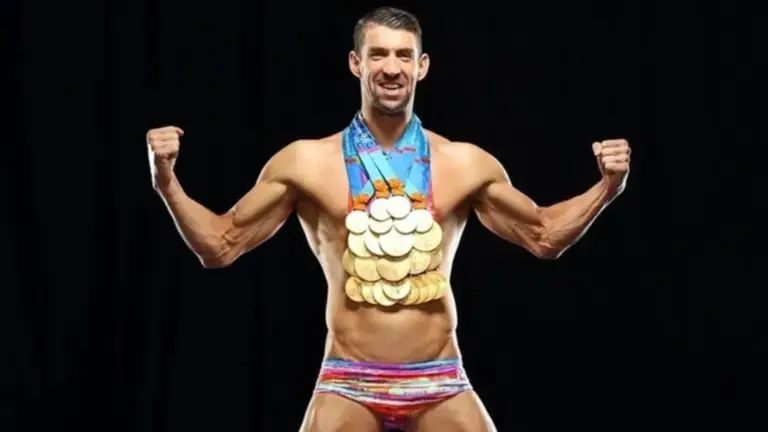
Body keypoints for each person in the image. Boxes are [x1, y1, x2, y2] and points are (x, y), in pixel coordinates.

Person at [145, 7, 631, 432]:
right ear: (356, 63)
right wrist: (166, 182)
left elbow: (543, 235)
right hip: (348, 380)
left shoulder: (464, 163)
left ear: (422, 66)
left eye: (403, 55)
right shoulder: (305, 163)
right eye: (377, 54)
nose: (391, 68)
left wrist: (607, 188)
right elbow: (221, 245)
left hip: (440, 377)